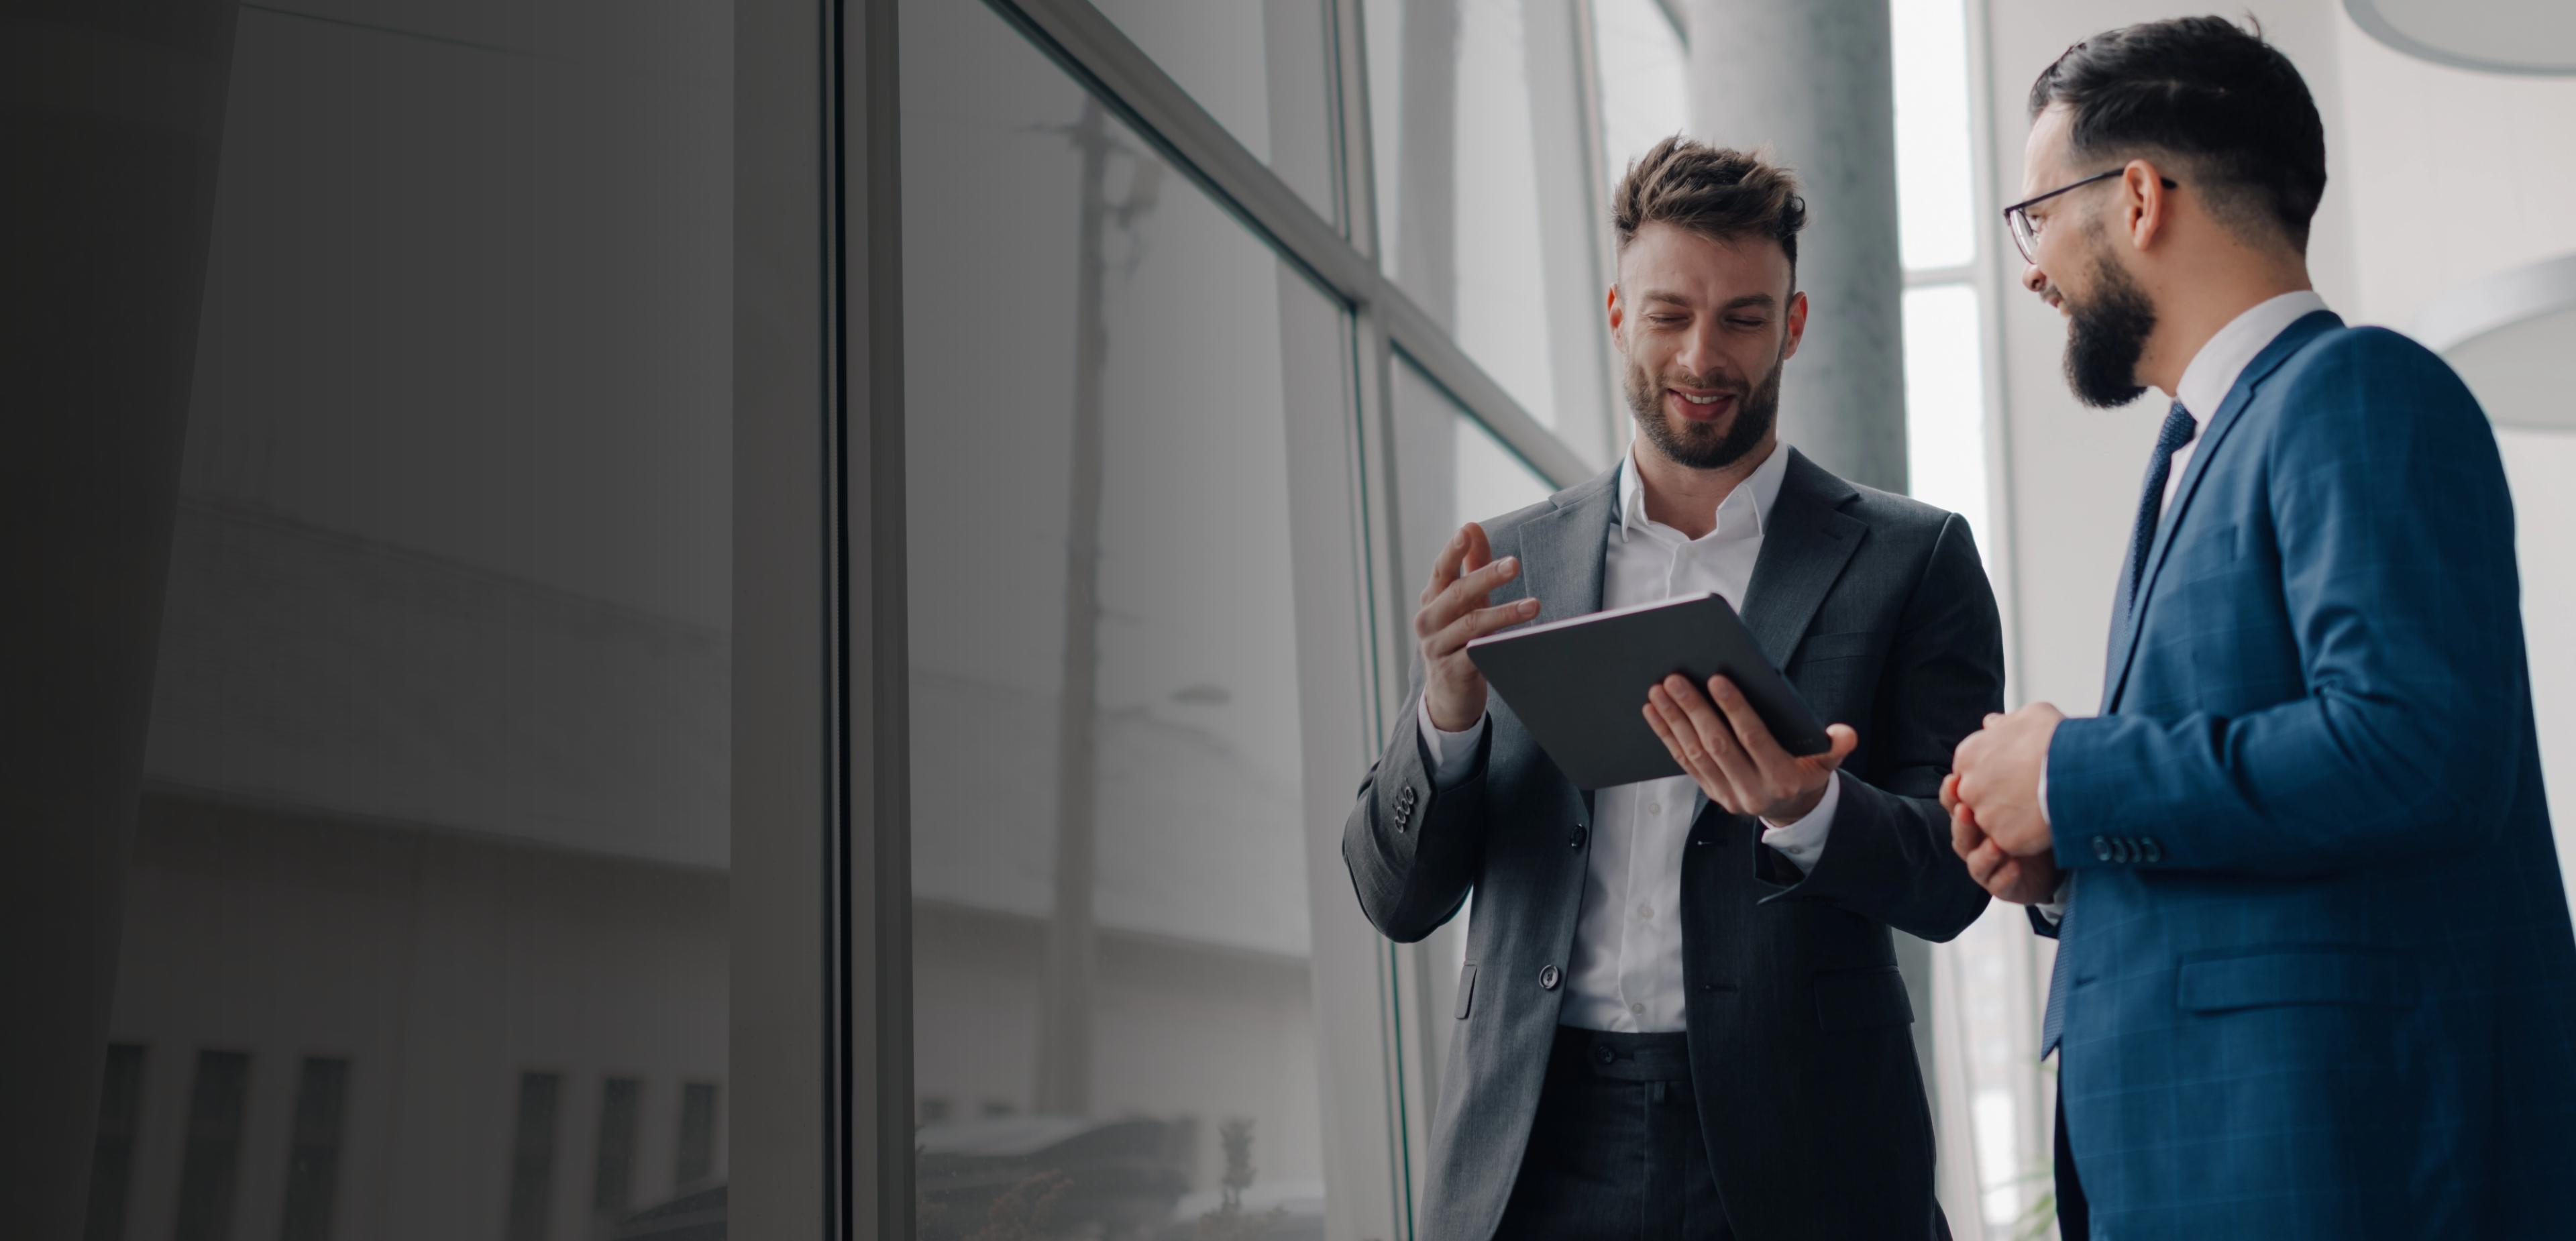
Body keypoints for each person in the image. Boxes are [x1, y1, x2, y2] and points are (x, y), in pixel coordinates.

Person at [1943, 17, 2576, 1240]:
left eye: (2037, 217)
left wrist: (2071, 775)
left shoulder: (2361, 392)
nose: (2032, 269)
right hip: (2230, 1162)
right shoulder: (2196, 449)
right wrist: (2073, 858)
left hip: (2336, 1169)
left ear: (2137, 198)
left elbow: (2413, 751)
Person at [1342, 137, 2000, 1241]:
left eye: (1743, 317)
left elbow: (1955, 878)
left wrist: (1810, 809)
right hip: (1535, 1148)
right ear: (1617, 314)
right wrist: (1447, 715)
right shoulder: (1507, 566)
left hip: (1805, 1146)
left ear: (1792, 325)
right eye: (1669, 314)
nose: (1704, 355)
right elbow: (1395, 900)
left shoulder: (1913, 558)